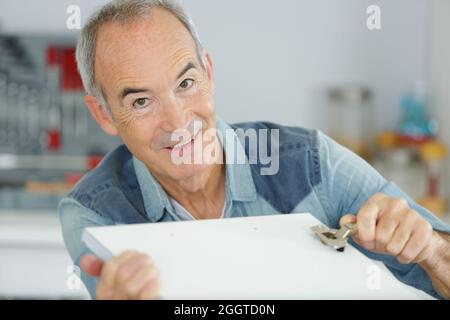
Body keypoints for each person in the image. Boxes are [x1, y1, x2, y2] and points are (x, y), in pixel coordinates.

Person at [59, 0, 450, 300]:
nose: (178, 122)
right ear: (105, 114)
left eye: (186, 83)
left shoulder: (312, 165)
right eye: (141, 101)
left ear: (209, 74)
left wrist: (430, 249)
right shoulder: (94, 213)